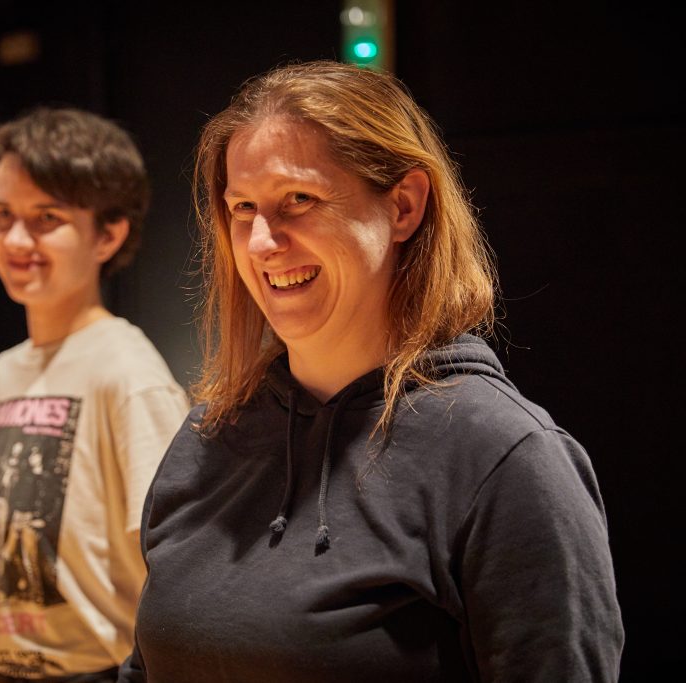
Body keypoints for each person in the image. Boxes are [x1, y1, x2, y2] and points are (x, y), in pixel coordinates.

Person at [119, 60, 624, 682]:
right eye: (242, 208)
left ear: (405, 206)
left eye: (298, 199)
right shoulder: (206, 439)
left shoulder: (506, 457)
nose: (260, 243)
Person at [0, 107, 189, 683]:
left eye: (46, 218)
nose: (16, 239)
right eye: (2, 216)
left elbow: (174, 573)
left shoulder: (128, 374)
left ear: (108, 233)